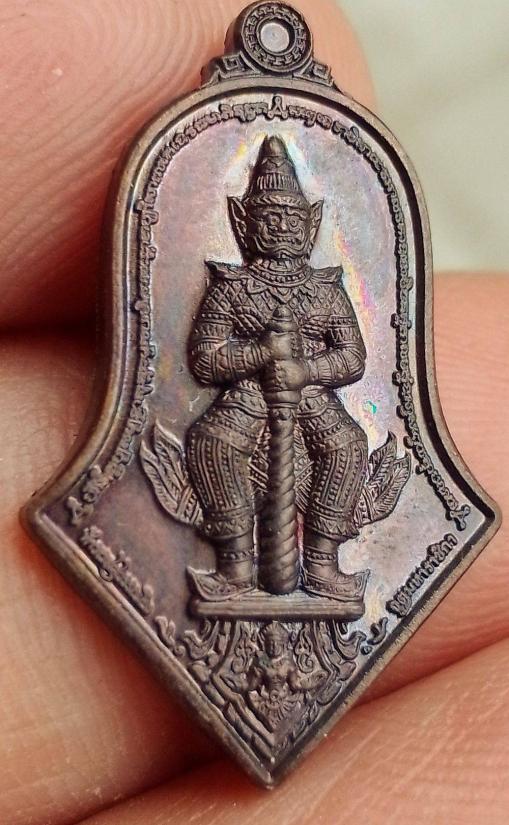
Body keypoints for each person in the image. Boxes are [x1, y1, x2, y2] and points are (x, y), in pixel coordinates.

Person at [1, 1, 507, 823]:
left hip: (310, 400)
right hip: (243, 399)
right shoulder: (230, 286)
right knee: (209, 446)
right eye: (263, 219)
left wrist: (302, 368)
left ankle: (326, 557)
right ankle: (235, 554)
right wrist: (255, 357)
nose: (276, 228)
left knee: (346, 451)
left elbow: (353, 359)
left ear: (308, 226)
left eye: (287, 220)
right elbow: (204, 359)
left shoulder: (326, 287)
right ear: (244, 222)